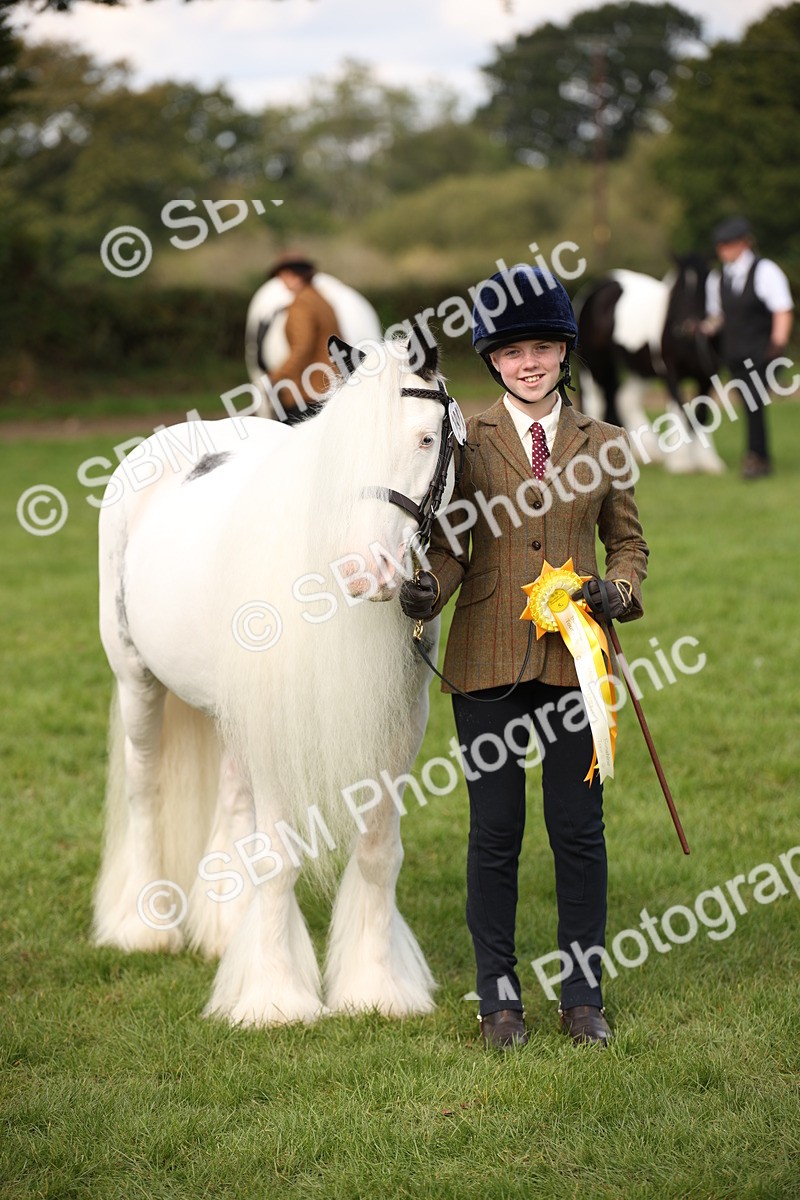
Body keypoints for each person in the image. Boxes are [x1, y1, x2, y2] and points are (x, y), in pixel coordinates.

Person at [399, 264, 649, 1050]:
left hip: (576, 662)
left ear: (564, 352)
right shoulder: (466, 441)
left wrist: (619, 590)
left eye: (543, 346)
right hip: (487, 664)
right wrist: (421, 594)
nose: (529, 362)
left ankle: (583, 996)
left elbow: (629, 542)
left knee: (579, 831)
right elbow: (448, 547)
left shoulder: (604, 442)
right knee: (495, 833)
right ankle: (498, 1000)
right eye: (513, 352)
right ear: (493, 361)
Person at [703, 216, 794, 479]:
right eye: (720, 245)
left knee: (753, 402)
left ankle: (756, 458)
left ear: (743, 243)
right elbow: (717, 317)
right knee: (749, 403)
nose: (723, 250)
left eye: (728, 244)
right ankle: (758, 456)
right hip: (734, 353)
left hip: (762, 352)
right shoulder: (718, 278)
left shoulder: (766, 271)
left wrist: (777, 344)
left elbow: (782, 309)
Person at [266, 252, 342, 424]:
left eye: (282, 277)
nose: (282, 283)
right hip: (327, 386)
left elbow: (302, 348)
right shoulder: (322, 300)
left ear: (291, 275)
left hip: (306, 393)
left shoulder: (301, 304)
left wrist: (278, 375)